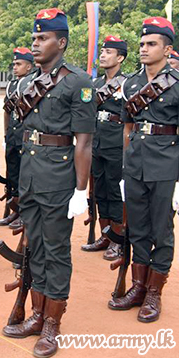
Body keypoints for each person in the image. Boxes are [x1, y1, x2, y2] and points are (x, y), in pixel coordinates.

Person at [2, 9, 95, 358]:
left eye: (43, 38)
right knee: (36, 247)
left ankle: (53, 325)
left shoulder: (78, 82)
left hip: (58, 178)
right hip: (30, 175)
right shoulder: (27, 83)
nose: (36, 44)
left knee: (56, 251)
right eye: (34, 39)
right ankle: (38, 314)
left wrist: (81, 190)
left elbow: (84, 142)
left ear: (62, 42)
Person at [112, 17, 177, 323]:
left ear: (167, 49)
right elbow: (128, 126)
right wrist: (127, 164)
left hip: (166, 166)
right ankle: (138, 286)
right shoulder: (133, 84)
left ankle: (154, 292)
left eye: (151, 44)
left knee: (161, 230)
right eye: (141, 44)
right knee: (137, 227)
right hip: (136, 164)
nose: (144, 49)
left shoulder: (176, 84)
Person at [82, 35, 127, 260]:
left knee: (115, 191)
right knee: (99, 191)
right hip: (96, 143)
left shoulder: (126, 83)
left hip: (116, 144)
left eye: (109, 52)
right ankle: (105, 236)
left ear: (120, 57)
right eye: (102, 51)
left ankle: (118, 240)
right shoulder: (96, 84)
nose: (103, 55)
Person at [0, 48, 35, 227]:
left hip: (24, 136)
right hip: (12, 135)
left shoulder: (33, 83)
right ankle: (14, 210)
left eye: (19, 64)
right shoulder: (12, 84)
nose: (15, 67)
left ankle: (23, 213)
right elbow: (6, 111)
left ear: (29, 66)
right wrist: (6, 134)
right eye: (14, 64)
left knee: (23, 176)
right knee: (11, 173)